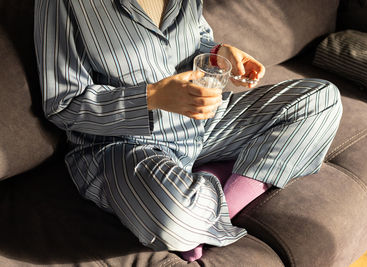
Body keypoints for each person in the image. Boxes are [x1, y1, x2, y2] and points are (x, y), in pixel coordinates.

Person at [34, 0, 342, 262]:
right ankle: (205, 194)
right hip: (121, 144)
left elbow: (196, 39)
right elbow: (63, 105)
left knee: (322, 99)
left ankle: (215, 196)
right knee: (175, 217)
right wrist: (151, 97)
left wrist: (219, 54)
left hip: (202, 120)